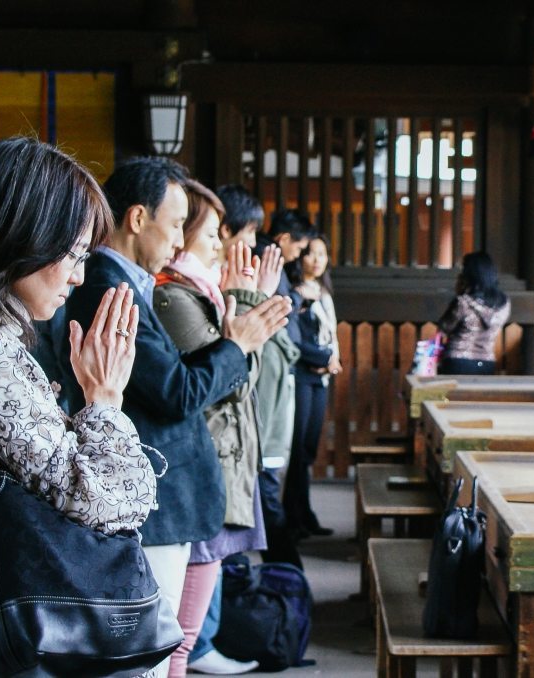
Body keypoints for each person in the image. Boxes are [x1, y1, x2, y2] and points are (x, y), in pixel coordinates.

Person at [0, 137, 157, 676]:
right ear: (24, 237)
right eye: (72, 255)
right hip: (14, 639)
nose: (78, 276)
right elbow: (108, 499)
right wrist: (104, 401)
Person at [61, 157, 291, 677]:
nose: (180, 240)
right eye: (176, 223)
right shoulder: (108, 289)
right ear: (138, 218)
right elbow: (176, 390)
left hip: (167, 492)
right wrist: (237, 344)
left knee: (165, 645)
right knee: (155, 648)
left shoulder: (128, 282)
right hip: (155, 496)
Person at [153, 180, 271, 676]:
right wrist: (245, 303)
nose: (220, 247)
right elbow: (227, 384)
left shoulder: (204, 294)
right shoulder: (174, 297)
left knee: (184, 629)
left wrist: (243, 310)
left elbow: (248, 372)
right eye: (208, 235)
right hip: (199, 462)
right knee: (177, 637)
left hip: (218, 457)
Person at [249, 206, 312, 567]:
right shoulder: (265, 256)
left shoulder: (274, 261)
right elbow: (279, 310)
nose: (298, 255)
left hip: (278, 359)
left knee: (271, 467)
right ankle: (285, 562)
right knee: (268, 467)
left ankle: (283, 559)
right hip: (271, 362)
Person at [285, 234, 340, 538]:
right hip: (302, 375)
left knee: (307, 450)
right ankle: (295, 517)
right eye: (311, 253)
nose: (318, 259)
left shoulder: (323, 292)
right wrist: (325, 357)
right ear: (300, 257)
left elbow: (329, 335)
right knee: (296, 450)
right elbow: (297, 343)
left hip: (321, 377)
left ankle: (303, 512)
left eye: (322, 253)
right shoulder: (297, 294)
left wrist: (332, 359)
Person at [436, 251, 511, 375]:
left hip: (457, 360)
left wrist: (460, 291)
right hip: (486, 362)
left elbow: (444, 328)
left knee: (451, 395)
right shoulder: (504, 303)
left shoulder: (463, 302)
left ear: (469, 275)